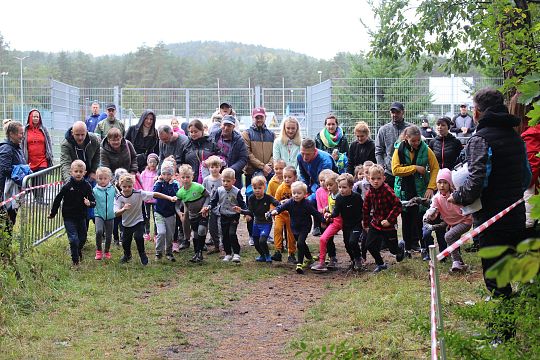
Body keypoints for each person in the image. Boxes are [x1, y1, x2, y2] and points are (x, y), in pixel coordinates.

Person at [448, 88, 530, 298]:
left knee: (495, 279)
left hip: (491, 218)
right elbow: (526, 178)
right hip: (516, 214)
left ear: (477, 112)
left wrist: (457, 197)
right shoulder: (517, 138)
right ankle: (516, 316)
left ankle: (503, 329)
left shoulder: (480, 139)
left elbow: (476, 181)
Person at [392, 125, 439, 254]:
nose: (417, 143)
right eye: (413, 141)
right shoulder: (399, 150)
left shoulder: (426, 149)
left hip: (421, 188)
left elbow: (435, 168)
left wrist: (431, 187)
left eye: (418, 140)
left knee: (420, 219)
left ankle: (424, 247)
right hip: (404, 189)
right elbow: (395, 170)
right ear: (406, 138)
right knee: (406, 219)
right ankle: (407, 248)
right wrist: (415, 168)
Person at [115, 174, 176, 266]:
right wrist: (123, 209)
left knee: (139, 237)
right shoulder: (118, 197)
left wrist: (169, 198)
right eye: (124, 187)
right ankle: (127, 255)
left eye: (129, 186)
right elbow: (116, 213)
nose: (127, 189)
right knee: (125, 242)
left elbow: (155, 194)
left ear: (133, 185)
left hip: (138, 220)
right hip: (126, 223)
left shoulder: (139, 193)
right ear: (120, 186)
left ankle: (142, 254)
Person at [48, 160, 96, 267]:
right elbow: (57, 199)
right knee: (73, 239)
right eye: (76, 171)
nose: (78, 173)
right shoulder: (67, 186)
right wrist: (53, 213)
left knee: (82, 238)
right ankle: (75, 262)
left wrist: (90, 203)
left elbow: (93, 201)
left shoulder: (87, 185)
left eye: (80, 171)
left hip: (82, 216)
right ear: (71, 172)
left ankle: (78, 250)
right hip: (69, 216)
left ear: (84, 172)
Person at [271, 181, 326, 274]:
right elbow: (281, 207)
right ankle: (309, 258)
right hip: (294, 227)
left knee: (300, 243)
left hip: (305, 226)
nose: (296, 195)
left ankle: (299, 264)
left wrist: (323, 220)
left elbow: (315, 213)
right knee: (302, 243)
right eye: (294, 193)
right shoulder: (290, 202)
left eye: (299, 193)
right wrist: (275, 211)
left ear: (304, 194)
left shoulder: (307, 204)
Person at [424, 168, 472, 272]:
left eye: (445, 182)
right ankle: (461, 265)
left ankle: (456, 262)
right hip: (453, 223)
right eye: (439, 182)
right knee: (451, 241)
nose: (442, 185)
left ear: (450, 183)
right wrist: (429, 214)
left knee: (448, 236)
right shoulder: (437, 198)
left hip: (465, 221)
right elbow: (433, 209)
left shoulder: (456, 194)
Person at [362, 165, 405, 273]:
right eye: (373, 179)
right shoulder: (369, 192)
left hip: (388, 225)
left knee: (393, 250)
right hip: (376, 223)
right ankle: (381, 264)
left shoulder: (387, 190)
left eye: (378, 178)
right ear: (368, 178)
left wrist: (389, 220)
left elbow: (398, 205)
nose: (376, 181)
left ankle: (400, 247)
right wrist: (366, 224)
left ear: (383, 178)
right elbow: (366, 208)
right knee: (369, 245)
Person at [242, 107, 275, 243]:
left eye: (261, 117)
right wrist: (263, 166)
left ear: (265, 117)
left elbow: (274, 153)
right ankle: (252, 234)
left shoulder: (271, 134)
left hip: (268, 173)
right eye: (257, 117)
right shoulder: (247, 134)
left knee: (266, 204)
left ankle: (265, 233)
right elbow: (248, 154)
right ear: (252, 117)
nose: (259, 119)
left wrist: (269, 166)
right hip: (252, 173)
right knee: (252, 203)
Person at [204, 168, 249, 263]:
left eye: (228, 181)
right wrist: (208, 207)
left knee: (231, 234)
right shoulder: (219, 190)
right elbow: (214, 202)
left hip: (234, 216)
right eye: (223, 181)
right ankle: (228, 253)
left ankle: (236, 253)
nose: (225, 183)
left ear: (233, 181)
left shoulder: (236, 191)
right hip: (223, 215)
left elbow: (243, 204)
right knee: (224, 235)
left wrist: (244, 212)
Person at [175, 164, 211, 263]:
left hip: (202, 214)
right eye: (183, 177)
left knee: (201, 230)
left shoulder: (198, 187)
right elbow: (177, 205)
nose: (185, 179)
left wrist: (205, 207)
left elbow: (208, 196)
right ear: (179, 177)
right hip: (192, 216)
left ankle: (199, 253)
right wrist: (179, 213)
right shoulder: (180, 192)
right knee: (195, 234)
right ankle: (197, 253)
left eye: (188, 177)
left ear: (192, 176)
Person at [375, 101, 412, 188]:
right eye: (392, 112)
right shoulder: (383, 130)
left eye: (397, 112)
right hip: (389, 172)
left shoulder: (410, 129)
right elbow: (378, 150)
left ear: (403, 112)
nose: (395, 115)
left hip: (407, 171)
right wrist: (381, 167)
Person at [21, 109, 54, 204]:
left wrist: (50, 154)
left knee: (41, 178)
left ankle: (40, 198)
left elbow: (48, 142)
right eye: (34, 116)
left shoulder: (43, 129)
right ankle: (36, 197)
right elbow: (22, 144)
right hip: (30, 160)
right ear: (30, 118)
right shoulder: (25, 130)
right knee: (33, 179)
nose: (36, 118)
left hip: (42, 159)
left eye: (37, 117)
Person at [311, 171, 341, 272]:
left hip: (344, 221)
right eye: (326, 184)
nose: (328, 187)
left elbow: (339, 208)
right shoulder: (328, 194)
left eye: (330, 185)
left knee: (350, 242)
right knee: (323, 239)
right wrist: (326, 210)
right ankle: (322, 262)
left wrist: (329, 213)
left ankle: (356, 260)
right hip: (334, 221)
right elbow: (331, 206)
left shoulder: (341, 195)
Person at [247, 176, 280, 262]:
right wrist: (242, 212)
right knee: (256, 242)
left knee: (262, 240)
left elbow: (277, 203)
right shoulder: (251, 198)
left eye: (259, 188)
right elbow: (250, 211)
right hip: (256, 223)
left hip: (266, 223)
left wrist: (280, 206)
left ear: (264, 187)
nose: (257, 190)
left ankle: (267, 255)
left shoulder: (268, 197)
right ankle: (262, 255)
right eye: (255, 188)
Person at [210, 115, 247, 189]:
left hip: (232, 176)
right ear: (221, 125)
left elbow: (243, 159)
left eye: (229, 125)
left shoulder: (239, 140)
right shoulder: (213, 136)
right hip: (215, 174)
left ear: (233, 127)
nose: (226, 128)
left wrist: (231, 170)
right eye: (224, 125)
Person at [0, 121, 26, 226]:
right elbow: (3, 170)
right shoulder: (6, 148)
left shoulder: (17, 147)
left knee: (11, 220)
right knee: (6, 221)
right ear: (11, 134)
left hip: (14, 191)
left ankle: (7, 242)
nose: (22, 136)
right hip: (6, 192)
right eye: (20, 133)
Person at [153, 164, 179, 262]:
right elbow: (155, 194)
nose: (166, 176)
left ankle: (168, 252)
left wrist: (172, 185)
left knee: (169, 235)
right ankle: (158, 252)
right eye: (164, 174)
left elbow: (176, 195)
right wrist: (159, 182)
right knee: (161, 232)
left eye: (168, 174)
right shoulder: (158, 183)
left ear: (172, 175)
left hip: (170, 214)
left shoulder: (175, 184)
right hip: (159, 212)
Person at [181, 119, 220, 184]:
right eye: (191, 132)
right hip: (190, 181)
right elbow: (180, 162)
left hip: (209, 180)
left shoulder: (211, 143)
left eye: (196, 132)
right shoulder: (185, 145)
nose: (193, 134)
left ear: (202, 131)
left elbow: (219, 159)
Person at [271, 166, 298, 263]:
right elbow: (275, 201)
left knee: (291, 234)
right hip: (281, 214)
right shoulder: (280, 188)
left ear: (295, 177)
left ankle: (291, 254)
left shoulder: (296, 188)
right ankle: (278, 250)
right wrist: (274, 211)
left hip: (292, 215)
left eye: (289, 177)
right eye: (285, 177)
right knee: (277, 229)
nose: (286, 179)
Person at [92, 167, 116, 260]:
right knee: (99, 232)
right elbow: (91, 200)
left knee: (109, 235)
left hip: (110, 215)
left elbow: (119, 197)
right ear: (96, 178)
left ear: (109, 178)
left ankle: (106, 251)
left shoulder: (113, 189)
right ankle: (98, 250)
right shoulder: (94, 190)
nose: (102, 181)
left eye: (105, 178)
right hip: (99, 214)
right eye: (100, 178)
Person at [202, 155, 223, 254]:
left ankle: (224, 247)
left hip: (221, 207)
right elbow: (204, 194)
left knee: (221, 227)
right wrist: (204, 206)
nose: (214, 169)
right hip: (210, 207)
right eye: (212, 167)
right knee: (212, 228)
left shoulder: (223, 179)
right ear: (208, 168)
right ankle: (216, 245)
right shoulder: (206, 180)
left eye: (216, 166)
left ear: (220, 167)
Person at [140, 153, 159, 241]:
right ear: (147, 162)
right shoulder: (144, 173)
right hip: (146, 198)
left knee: (156, 217)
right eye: (150, 162)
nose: (152, 164)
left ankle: (156, 233)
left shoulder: (158, 174)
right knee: (146, 216)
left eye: (154, 162)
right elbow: (140, 184)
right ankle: (146, 232)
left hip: (155, 198)